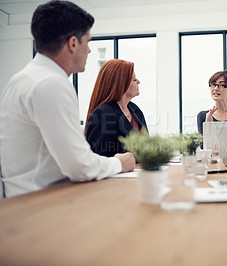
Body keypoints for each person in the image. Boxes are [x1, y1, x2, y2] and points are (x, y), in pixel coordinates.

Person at [0, 1, 135, 197]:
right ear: (73, 43)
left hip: (24, 197)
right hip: (43, 203)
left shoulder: (22, 79)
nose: (89, 50)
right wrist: (119, 163)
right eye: (87, 42)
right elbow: (80, 166)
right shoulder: (51, 84)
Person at [85, 59, 148, 157]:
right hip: (120, 172)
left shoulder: (135, 109)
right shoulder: (103, 114)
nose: (139, 82)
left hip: (141, 170)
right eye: (134, 79)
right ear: (122, 84)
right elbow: (97, 157)